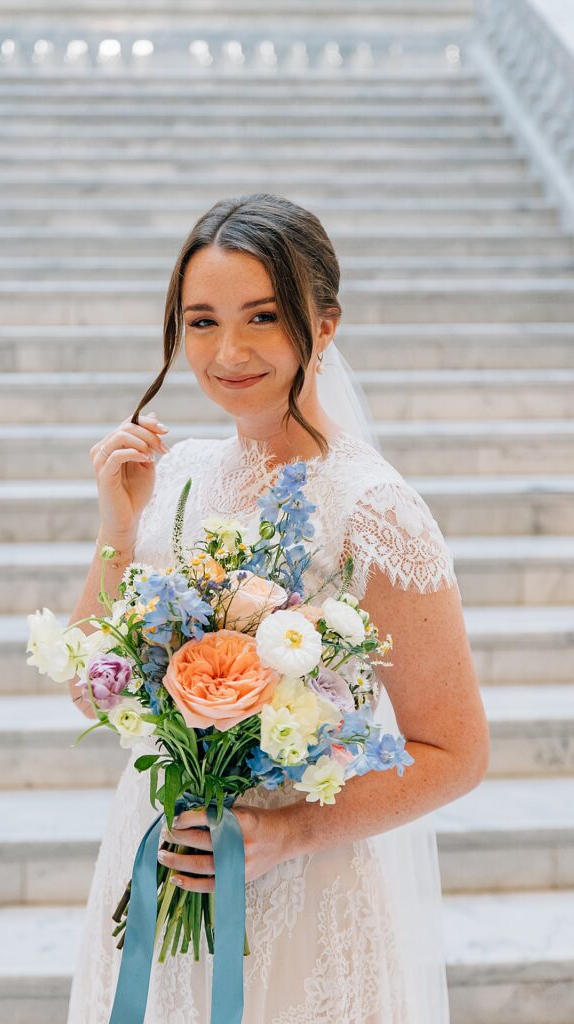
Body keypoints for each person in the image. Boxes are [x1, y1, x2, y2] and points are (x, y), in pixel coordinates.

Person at [65, 193, 490, 1023]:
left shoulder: (371, 507)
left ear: (322, 326)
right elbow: (92, 689)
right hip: (157, 858)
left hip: (304, 885)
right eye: (200, 321)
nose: (227, 351)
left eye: (261, 317)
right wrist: (118, 525)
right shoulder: (176, 478)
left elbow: (457, 751)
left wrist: (288, 832)